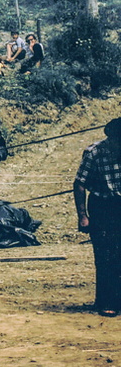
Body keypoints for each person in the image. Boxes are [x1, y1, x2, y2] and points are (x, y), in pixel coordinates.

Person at [74, 118, 121, 317]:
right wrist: (83, 215)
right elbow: (79, 184)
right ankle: (106, 302)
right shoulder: (95, 152)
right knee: (106, 256)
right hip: (103, 207)